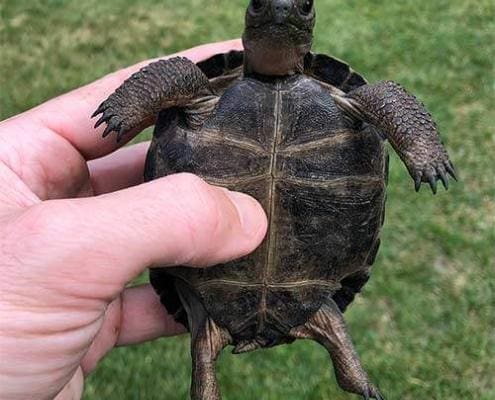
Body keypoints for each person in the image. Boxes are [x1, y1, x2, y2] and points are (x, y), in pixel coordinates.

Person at [0, 40, 267, 400]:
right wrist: (127, 105)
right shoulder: (204, 94)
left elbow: (179, 74)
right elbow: (178, 75)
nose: (282, 10)